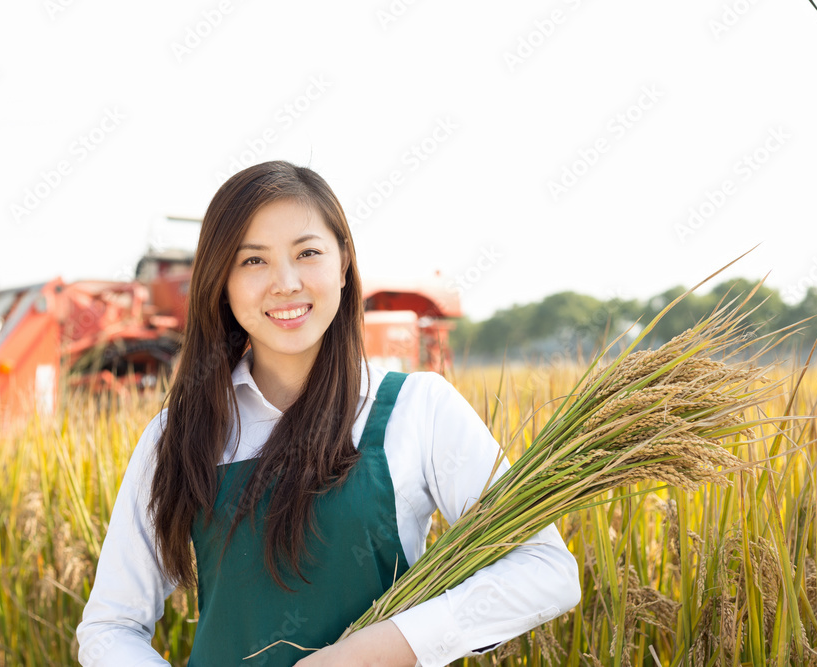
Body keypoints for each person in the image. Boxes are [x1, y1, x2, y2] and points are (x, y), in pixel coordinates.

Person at [76, 160, 581, 666]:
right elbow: (111, 625)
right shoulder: (180, 435)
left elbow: (544, 569)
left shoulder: (418, 408)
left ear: (342, 263)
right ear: (221, 282)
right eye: (253, 261)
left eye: (308, 253)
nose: (286, 282)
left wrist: (374, 650)